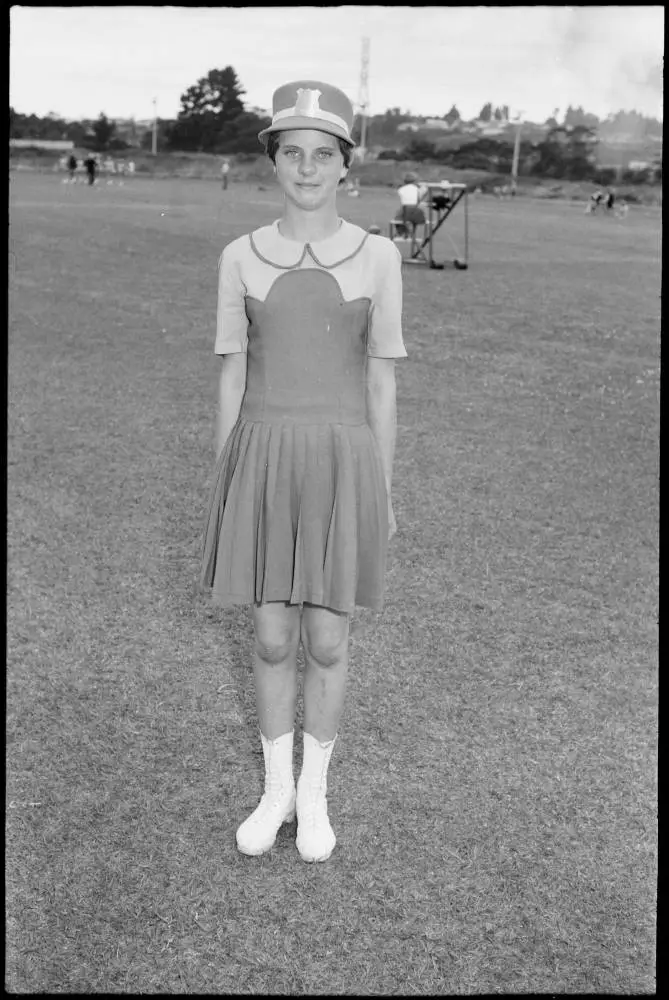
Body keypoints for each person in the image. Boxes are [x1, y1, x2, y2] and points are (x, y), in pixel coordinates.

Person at [200, 79, 406, 863]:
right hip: (263, 456)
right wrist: (227, 481)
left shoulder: (379, 256)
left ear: (345, 165)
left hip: (340, 459)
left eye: (323, 154)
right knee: (271, 634)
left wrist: (380, 488)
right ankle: (275, 790)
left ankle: (314, 797)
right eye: (292, 153)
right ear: (274, 162)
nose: (307, 168)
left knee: (327, 639)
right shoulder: (240, 256)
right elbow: (230, 375)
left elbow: (381, 381)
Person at [394, 172, 427, 240]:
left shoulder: (401, 189)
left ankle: (403, 233)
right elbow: (419, 199)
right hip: (416, 210)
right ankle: (410, 233)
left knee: (397, 219)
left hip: (406, 209)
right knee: (413, 219)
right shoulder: (417, 189)